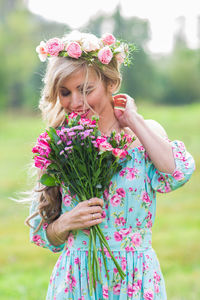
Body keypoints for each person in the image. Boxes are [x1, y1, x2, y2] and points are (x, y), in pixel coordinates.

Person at [26, 31, 195, 300]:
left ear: (110, 83)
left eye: (85, 89)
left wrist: (133, 120)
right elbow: (43, 235)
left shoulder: (142, 134)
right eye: (65, 92)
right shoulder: (60, 144)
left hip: (134, 279)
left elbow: (176, 174)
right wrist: (66, 223)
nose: (75, 102)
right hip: (77, 279)